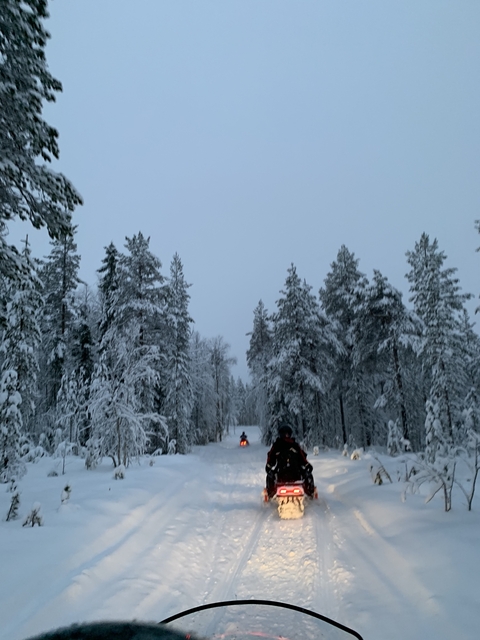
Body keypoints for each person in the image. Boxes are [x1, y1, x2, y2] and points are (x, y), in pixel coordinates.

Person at [265, 424, 315, 498]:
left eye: (287, 434)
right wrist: (307, 465)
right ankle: (310, 493)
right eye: (285, 434)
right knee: (270, 475)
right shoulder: (293, 445)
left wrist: (269, 466)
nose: (286, 436)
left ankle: (270, 494)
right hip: (292, 473)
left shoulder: (278, 445)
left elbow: (271, 458)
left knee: (270, 475)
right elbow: (302, 458)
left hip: (285, 474)